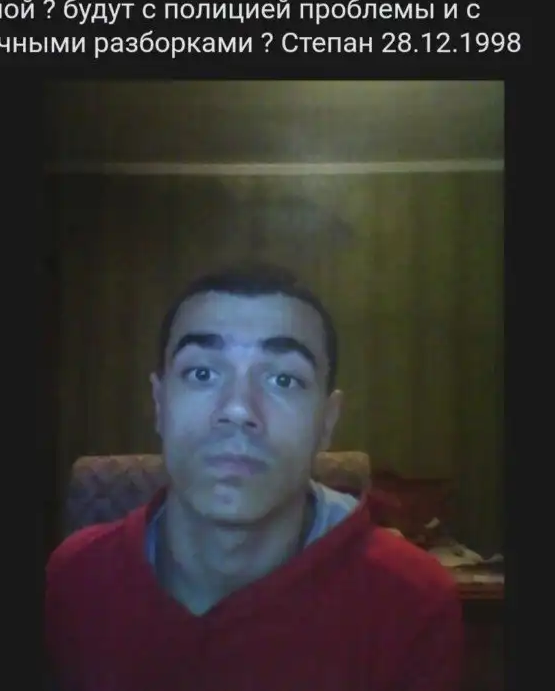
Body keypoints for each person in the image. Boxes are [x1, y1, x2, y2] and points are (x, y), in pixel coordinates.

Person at [46, 263, 464, 690]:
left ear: (326, 422)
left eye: (283, 379)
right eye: (202, 373)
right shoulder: (76, 580)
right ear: (160, 403)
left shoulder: (412, 602)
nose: (238, 409)